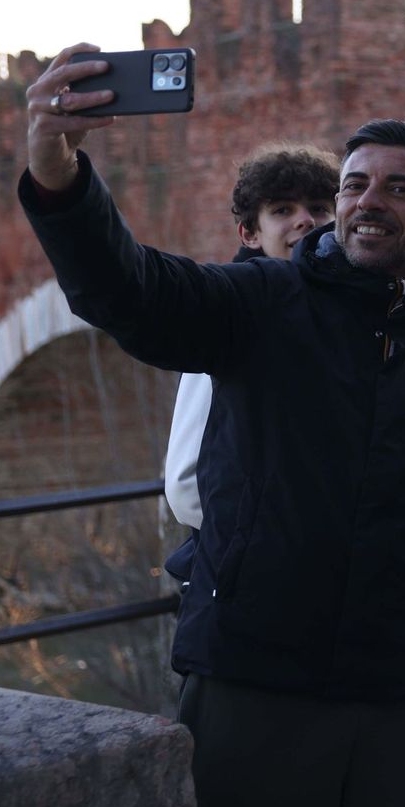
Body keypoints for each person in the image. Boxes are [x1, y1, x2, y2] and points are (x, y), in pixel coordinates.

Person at [20, 44, 405, 807]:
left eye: (398, 187)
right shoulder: (260, 302)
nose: (367, 201)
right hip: (256, 681)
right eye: (354, 184)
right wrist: (59, 176)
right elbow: (128, 289)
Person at [162, 143, 340, 589]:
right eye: (283, 209)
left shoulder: (351, 317)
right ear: (250, 234)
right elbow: (185, 485)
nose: (305, 220)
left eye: (319, 208)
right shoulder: (232, 316)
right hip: (250, 574)